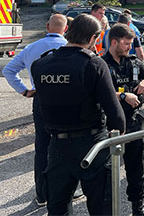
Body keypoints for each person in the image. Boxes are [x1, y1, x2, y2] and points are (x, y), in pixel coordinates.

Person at [32, 14, 125, 215]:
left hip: (57, 146)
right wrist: (118, 142)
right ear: (93, 38)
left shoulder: (41, 65)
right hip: (91, 144)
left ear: (68, 32)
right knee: (101, 206)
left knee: (57, 207)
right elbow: (115, 114)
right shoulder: (93, 64)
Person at [2, 14, 69, 207]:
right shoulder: (69, 47)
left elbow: (8, 70)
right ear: (65, 29)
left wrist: (24, 90)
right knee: (66, 145)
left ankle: (42, 193)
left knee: (42, 146)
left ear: (47, 26)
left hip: (41, 99)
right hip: (66, 100)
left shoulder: (32, 47)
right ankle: (66, 192)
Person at [104, 23, 144, 215]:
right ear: (114, 42)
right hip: (110, 125)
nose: (129, 47)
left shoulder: (132, 62)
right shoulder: (101, 64)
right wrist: (123, 96)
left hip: (133, 123)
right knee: (107, 172)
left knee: (136, 169)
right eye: (126, 44)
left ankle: (138, 207)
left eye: (131, 44)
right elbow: (97, 93)